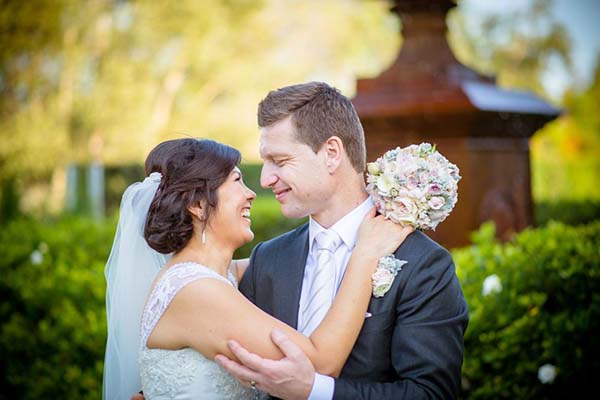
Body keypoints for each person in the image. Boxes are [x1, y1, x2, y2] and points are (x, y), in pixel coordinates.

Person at [103, 138, 413, 399]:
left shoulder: (217, 275)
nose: (252, 193)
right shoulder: (196, 291)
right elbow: (317, 365)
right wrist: (365, 254)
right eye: (238, 181)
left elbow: (315, 257)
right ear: (198, 205)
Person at [214, 82, 469, 399]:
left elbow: (431, 394)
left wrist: (315, 390)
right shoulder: (269, 258)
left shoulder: (422, 264)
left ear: (332, 153)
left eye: (280, 161)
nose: (265, 179)